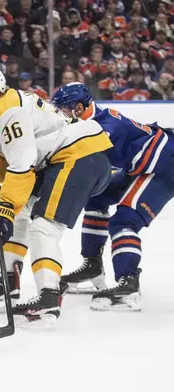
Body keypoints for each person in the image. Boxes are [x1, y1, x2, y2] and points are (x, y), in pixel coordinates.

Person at [0, 66, 112, 326]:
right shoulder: (3, 111)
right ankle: (10, 281)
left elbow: (22, 164)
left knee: (43, 227)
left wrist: (5, 205)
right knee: (21, 215)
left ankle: (48, 297)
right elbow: (8, 156)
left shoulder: (11, 112)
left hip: (79, 157)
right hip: (67, 159)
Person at [51, 83, 174, 311]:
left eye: (62, 109)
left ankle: (128, 283)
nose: (58, 114)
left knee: (124, 221)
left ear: (78, 108)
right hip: (142, 164)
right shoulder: (91, 122)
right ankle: (93, 265)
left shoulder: (101, 128)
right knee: (96, 200)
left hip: (164, 165)